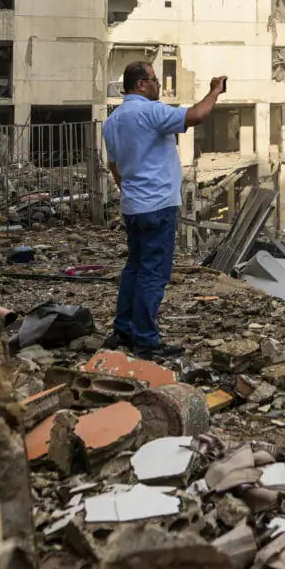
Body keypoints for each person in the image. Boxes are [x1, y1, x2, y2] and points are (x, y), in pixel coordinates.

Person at [100, 62, 226, 358]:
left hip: (133, 206)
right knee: (154, 273)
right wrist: (214, 92)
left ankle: (124, 329)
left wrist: (129, 192)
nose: (159, 85)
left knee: (135, 266)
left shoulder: (113, 121)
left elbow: (113, 166)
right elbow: (197, 115)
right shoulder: (150, 112)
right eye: (155, 80)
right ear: (141, 84)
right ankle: (145, 339)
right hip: (158, 205)